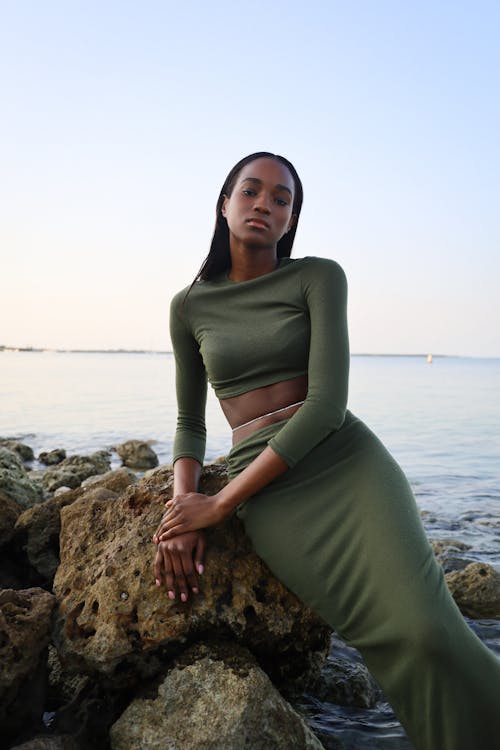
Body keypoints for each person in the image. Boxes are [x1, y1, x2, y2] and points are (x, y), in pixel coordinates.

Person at [153, 152, 500, 749]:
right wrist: (182, 509)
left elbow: (326, 406)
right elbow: (190, 422)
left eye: (281, 198)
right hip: (276, 499)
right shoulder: (189, 305)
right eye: (251, 190)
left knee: (431, 631)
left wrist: (220, 506)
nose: (265, 203)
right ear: (224, 202)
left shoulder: (318, 276)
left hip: (346, 462)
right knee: (388, 642)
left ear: (291, 220)